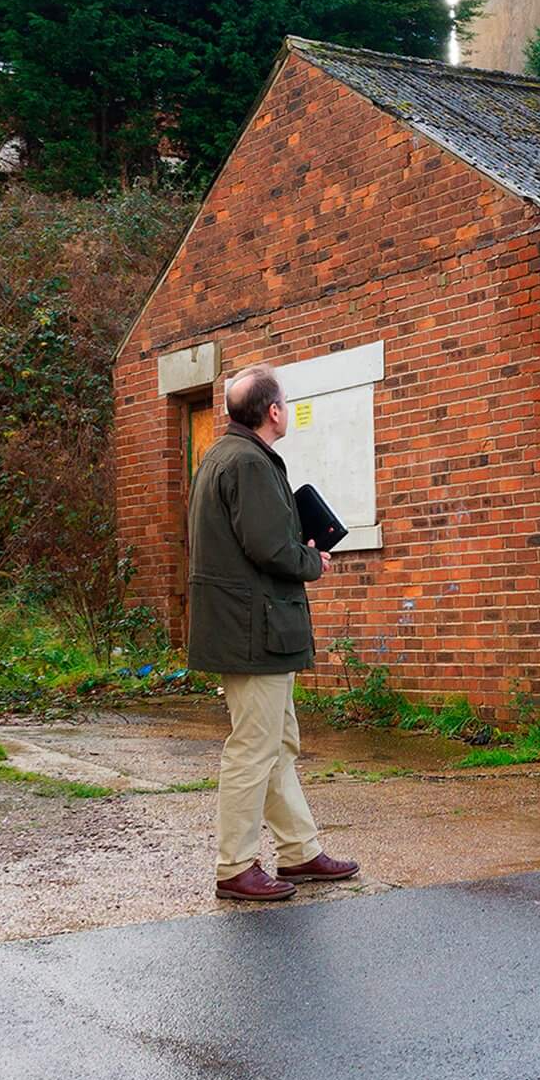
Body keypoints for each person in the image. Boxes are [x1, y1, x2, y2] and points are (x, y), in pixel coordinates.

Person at [187, 363, 359, 901]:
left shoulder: (225, 455)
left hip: (251, 627)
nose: (286, 409)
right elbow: (268, 547)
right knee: (253, 749)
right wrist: (312, 561)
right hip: (253, 630)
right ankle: (234, 866)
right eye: (283, 402)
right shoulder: (248, 463)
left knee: (278, 744)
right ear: (273, 411)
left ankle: (299, 852)